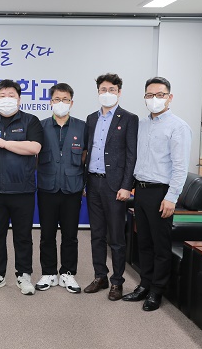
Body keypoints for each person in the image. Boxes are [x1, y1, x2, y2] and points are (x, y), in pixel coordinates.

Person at [122, 76, 191, 311]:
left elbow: (180, 167)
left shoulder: (178, 127)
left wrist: (171, 197)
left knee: (161, 245)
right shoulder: (141, 125)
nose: (155, 99)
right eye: (150, 95)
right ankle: (144, 284)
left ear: (169, 97)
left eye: (160, 95)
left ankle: (157, 291)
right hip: (140, 191)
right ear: (144, 98)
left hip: (161, 193)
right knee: (144, 242)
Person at [0, 79, 44, 295]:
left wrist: (4, 143)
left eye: (11, 95)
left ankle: (24, 275)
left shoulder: (31, 121)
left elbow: (34, 148)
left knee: (23, 236)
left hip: (22, 190)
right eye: (2, 96)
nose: (7, 99)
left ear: (19, 99)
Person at [83, 73, 138, 301]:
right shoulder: (91, 118)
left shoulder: (129, 118)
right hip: (93, 182)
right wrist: (84, 182)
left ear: (119, 92)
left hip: (115, 186)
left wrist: (127, 186)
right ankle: (100, 276)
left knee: (116, 237)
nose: (107, 93)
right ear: (98, 92)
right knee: (96, 234)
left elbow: (131, 155)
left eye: (112, 90)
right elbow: (87, 150)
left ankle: (117, 281)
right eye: (103, 90)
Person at [35, 83, 87, 294]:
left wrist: (84, 183)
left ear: (71, 103)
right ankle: (48, 272)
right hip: (47, 188)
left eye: (65, 99)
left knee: (70, 234)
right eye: (57, 99)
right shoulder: (40, 126)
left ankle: (67, 272)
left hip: (72, 189)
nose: (61, 103)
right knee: (47, 234)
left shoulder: (82, 127)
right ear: (51, 102)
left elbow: (86, 156)